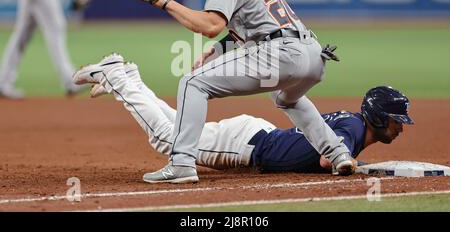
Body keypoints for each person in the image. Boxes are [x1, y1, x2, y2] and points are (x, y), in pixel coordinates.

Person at [115, 0, 357, 182]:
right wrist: (218, 50)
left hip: (281, 52)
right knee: (286, 98)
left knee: (192, 83)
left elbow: (210, 25)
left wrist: (163, 2)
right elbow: (252, 23)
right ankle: (338, 154)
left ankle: (182, 163)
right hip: (312, 55)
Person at [73, 54, 414, 176]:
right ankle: (118, 76)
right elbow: (329, 161)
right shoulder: (353, 130)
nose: (401, 128)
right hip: (247, 145)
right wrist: (350, 163)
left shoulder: (351, 122)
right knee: (167, 139)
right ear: (380, 116)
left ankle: (129, 77)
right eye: (398, 120)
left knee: (177, 127)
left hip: (254, 135)